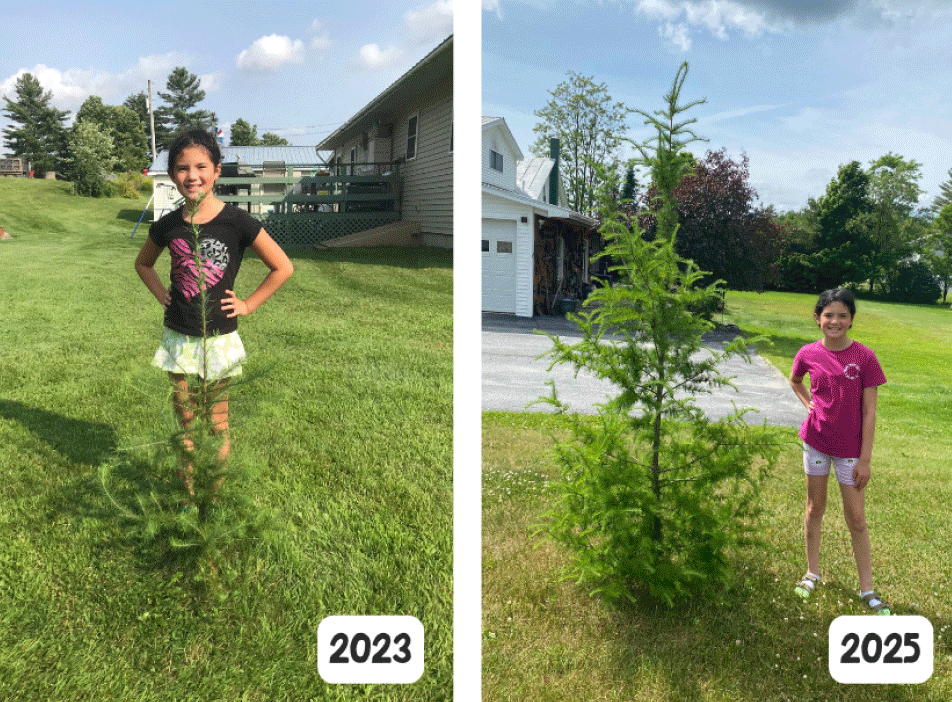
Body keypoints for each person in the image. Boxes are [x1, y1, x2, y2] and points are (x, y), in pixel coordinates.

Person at [134, 129, 293, 506]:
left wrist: (249, 304)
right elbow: (143, 264)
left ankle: (214, 500)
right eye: (182, 168)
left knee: (217, 423)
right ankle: (189, 499)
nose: (192, 176)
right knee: (186, 423)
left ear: (217, 171)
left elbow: (282, 267)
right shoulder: (168, 225)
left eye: (201, 166)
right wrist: (162, 295)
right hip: (179, 335)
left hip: (220, 337)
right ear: (172, 176)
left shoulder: (237, 222)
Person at [788, 288, 890, 614]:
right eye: (828, 315)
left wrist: (866, 459)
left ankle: (868, 590)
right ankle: (811, 573)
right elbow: (795, 380)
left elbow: (870, 412)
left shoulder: (864, 357)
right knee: (815, 508)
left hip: (851, 452)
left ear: (851, 320)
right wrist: (808, 404)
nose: (835, 321)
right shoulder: (807, 353)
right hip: (816, 442)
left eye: (842, 315)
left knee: (856, 518)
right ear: (818, 318)